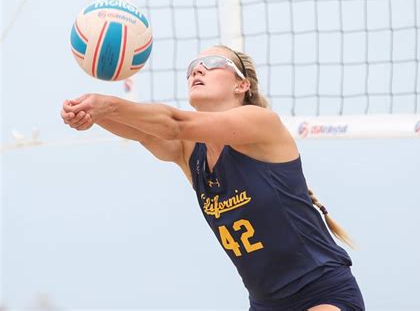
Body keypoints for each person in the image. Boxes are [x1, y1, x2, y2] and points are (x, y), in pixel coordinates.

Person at [61, 45, 365, 311]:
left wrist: (108, 104)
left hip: (323, 292)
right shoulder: (191, 154)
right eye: (193, 67)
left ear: (241, 85)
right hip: (266, 304)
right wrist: (93, 114)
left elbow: (173, 123)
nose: (199, 69)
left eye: (215, 64)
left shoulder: (261, 124)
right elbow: (143, 132)